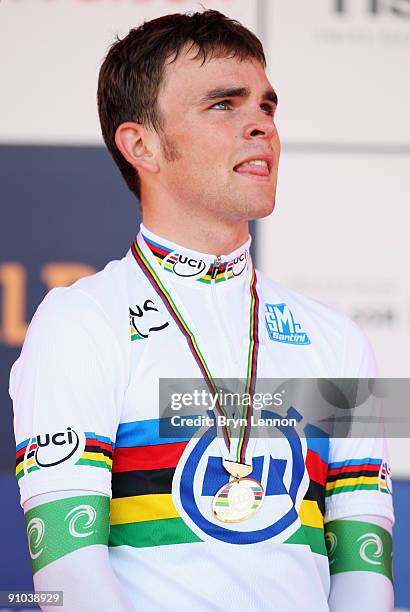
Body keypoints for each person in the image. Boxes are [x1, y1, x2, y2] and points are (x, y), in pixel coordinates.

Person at [10, 10, 394, 612]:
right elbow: (66, 580)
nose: (260, 126)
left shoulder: (339, 336)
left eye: (267, 107)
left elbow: (366, 570)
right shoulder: (78, 320)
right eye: (224, 105)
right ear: (141, 145)